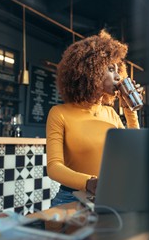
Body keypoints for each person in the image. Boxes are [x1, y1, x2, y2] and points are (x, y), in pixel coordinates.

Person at [46, 29, 141, 207]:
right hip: (71, 197)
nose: (118, 76)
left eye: (117, 69)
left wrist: (130, 109)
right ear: (91, 71)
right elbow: (54, 167)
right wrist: (90, 182)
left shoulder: (111, 114)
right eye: (111, 69)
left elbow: (133, 152)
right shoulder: (59, 113)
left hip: (110, 195)